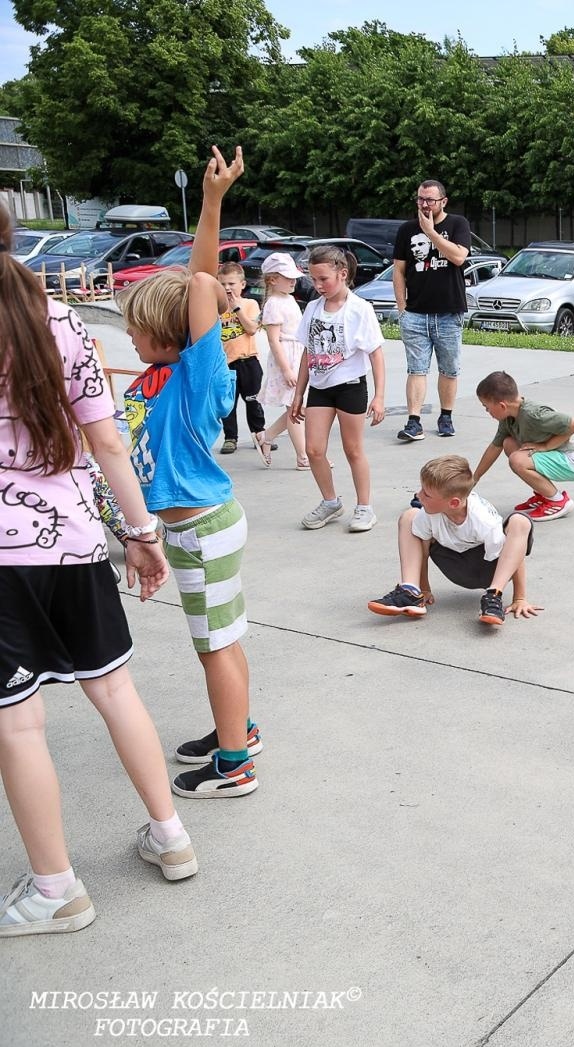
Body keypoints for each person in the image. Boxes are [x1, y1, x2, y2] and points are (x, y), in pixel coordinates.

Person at [0, 203, 199, 936]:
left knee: (18, 726)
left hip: (4, 558)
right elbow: (108, 443)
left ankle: (57, 890)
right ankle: (170, 835)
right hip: (77, 538)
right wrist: (140, 534)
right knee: (114, 689)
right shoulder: (64, 321)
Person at [116, 145, 261, 799]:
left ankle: (235, 765)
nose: (132, 338)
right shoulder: (158, 377)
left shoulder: (198, 379)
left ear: (174, 334)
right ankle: (240, 729)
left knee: (214, 648)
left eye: (140, 330)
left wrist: (210, 202)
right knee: (222, 640)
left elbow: (200, 286)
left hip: (202, 529)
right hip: (190, 529)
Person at [367, 455, 540, 626]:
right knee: (409, 517)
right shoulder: (430, 513)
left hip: (488, 569)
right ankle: (411, 592)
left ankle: (493, 597)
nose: (418, 495)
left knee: (520, 521)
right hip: (454, 564)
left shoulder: (483, 519)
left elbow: (514, 556)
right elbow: (423, 549)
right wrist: (424, 589)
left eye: (426, 494)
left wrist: (520, 597)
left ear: (454, 503)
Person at [288, 244, 387, 532]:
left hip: (350, 387)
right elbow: (308, 352)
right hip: (320, 388)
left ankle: (365, 507)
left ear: (342, 274)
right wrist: (298, 393)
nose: (318, 286)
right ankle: (330, 502)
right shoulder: (313, 308)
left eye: (323, 279)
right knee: (314, 450)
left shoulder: (360, 309)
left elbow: (376, 354)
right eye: (313, 280)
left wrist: (379, 397)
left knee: (353, 450)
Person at [394, 180, 471, 443]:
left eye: (430, 200)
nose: (425, 204)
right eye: (420, 199)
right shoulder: (406, 230)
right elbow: (399, 270)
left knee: (449, 369)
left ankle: (446, 416)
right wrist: (402, 307)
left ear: (443, 202)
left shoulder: (458, 224)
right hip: (415, 313)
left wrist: (431, 233)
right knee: (416, 369)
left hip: (449, 312)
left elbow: (459, 257)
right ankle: (414, 422)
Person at [471, 371, 574, 522]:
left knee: (517, 460)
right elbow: (495, 447)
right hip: (559, 455)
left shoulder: (534, 414)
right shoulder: (508, 417)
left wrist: (546, 446)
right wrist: (474, 478)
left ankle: (558, 501)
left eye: (486, 407)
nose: (487, 411)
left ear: (502, 405)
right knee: (508, 443)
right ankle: (544, 495)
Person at [256, 252, 310, 469]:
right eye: (287, 277)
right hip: (286, 358)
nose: (293, 281)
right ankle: (304, 456)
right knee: (295, 408)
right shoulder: (273, 304)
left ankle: (266, 437)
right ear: (272, 279)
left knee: (296, 407)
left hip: (297, 355)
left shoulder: (288, 300)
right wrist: (287, 369)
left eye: (293, 277)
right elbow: (273, 339)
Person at [216, 261, 267, 462]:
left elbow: (252, 329)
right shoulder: (216, 308)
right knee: (228, 403)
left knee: (253, 400)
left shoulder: (249, 304)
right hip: (225, 363)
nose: (227, 288)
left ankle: (260, 434)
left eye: (231, 284)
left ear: (242, 285)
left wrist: (236, 308)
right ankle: (230, 437)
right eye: (222, 284)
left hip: (248, 360)